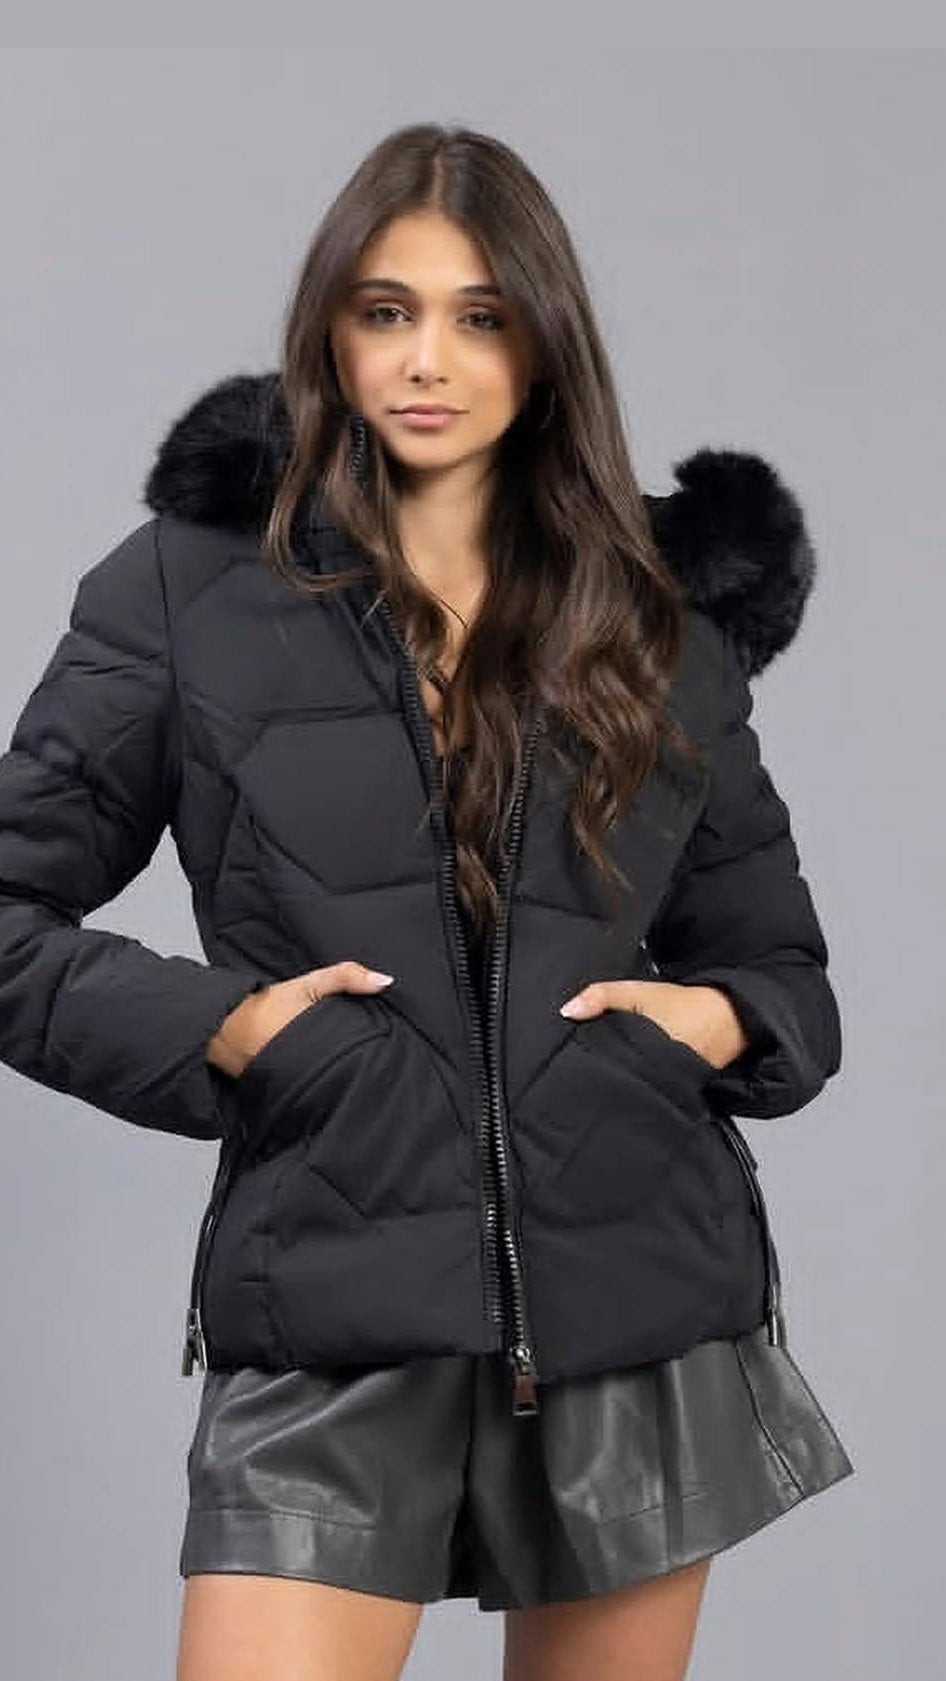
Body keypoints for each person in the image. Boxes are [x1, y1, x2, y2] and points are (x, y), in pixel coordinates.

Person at [0, 122, 854, 1681]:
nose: (426, 359)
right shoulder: (190, 587)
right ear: (330, 329)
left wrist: (712, 1021)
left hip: (630, 1303)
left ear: (544, 343)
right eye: (385, 310)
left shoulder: (654, 611)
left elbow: (780, 966)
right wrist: (228, 1030)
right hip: (332, 1291)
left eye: (480, 315)